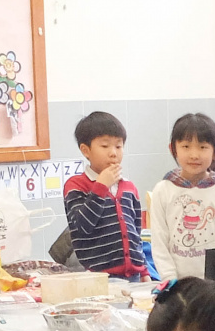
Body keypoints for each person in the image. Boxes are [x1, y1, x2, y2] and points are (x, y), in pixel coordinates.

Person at [148, 112, 215, 283]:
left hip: (213, 285)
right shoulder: (163, 190)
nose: (194, 155)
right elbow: (159, 242)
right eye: (186, 146)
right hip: (176, 284)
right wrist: (170, 279)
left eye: (202, 147)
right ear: (173, 149)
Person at [63, 110, 158, 281]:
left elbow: (135, 235)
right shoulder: (76, 185)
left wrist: (144, 271)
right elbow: (82, 226)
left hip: (133, 275)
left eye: (118, 146)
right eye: (105, 146)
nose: (113, 152)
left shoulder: (129, 188)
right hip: (99, 277)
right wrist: (101, 186)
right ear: (86, 150)